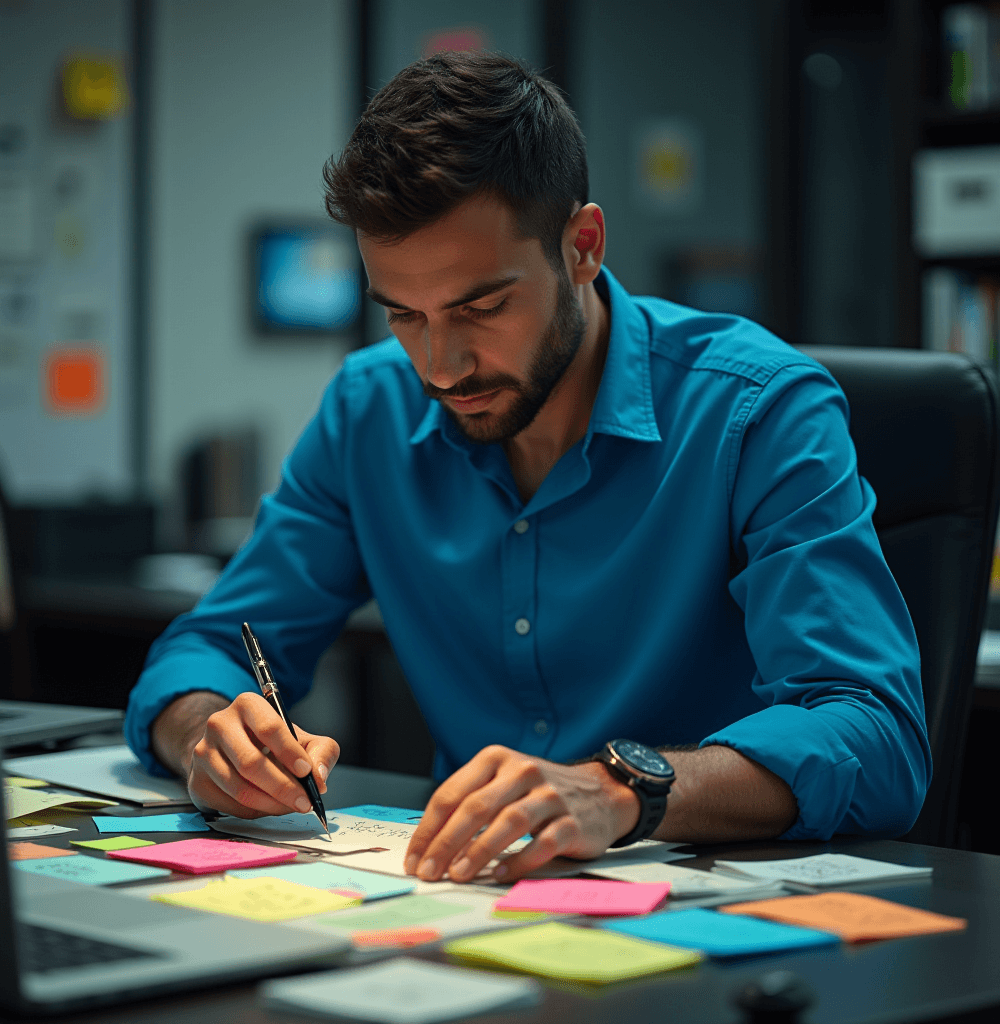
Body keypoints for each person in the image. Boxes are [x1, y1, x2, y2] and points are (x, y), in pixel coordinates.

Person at [126, 52, 930, 884]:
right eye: (404, 314)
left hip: (710, 912)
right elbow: (210, 645)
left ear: (581, 247)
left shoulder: (758, 410)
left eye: (481, 307)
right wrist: (208, 737)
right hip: (460, 904)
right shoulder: (370, 408)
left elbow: (872, 733)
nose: (439, 367)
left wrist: (620, 790)